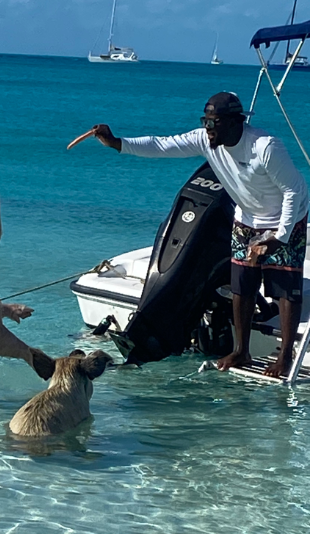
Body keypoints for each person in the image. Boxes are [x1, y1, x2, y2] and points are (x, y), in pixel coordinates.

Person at [92, 91, 309, 377]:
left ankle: (284, 358)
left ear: (234, 122)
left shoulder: (265, 146)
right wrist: (117, 143)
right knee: (242, 284)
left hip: (285, 220)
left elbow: (294, 190)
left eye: (214, 122)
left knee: (284, 287)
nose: (208, 129)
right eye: (205, 121)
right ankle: (241, 350)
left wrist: (278, 236)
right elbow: (162, 145)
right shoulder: (206, 141)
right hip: (246, 218)